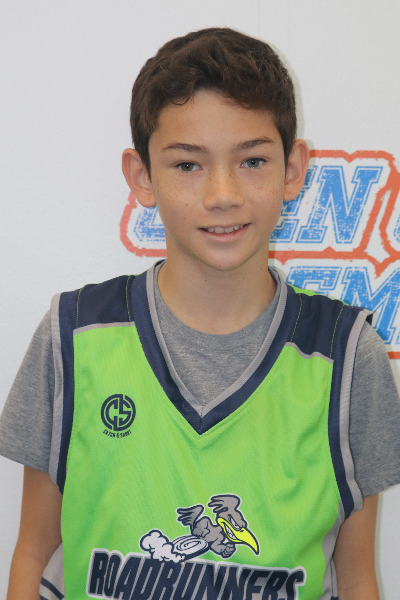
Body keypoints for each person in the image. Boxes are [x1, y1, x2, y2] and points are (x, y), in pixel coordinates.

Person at [1, 27, 400, 600]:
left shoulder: (348, 355)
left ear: (293, 170)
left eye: (253, 160)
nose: (222, 194)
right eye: (188, 165)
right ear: (142, 176)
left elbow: (358, 576)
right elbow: (34, 553)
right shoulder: (75, 335)